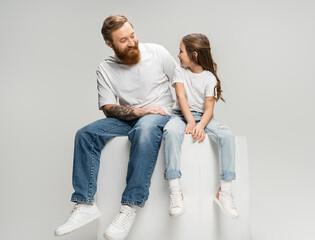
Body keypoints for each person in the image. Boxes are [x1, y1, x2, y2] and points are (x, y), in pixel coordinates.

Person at [54, 15, 177, 240]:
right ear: (109, 43)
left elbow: (181, 84)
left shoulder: (157, 52)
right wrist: (140, 111)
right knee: (86, 134)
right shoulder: (105, 68)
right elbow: (109, 108)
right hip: (129, 117)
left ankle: (129, 207)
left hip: (160, 113)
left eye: (132, 35)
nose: (132, 42)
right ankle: (84, 204)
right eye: (123, 40)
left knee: (145, 129)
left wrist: (195, 118)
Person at [163, 33, 239, 219]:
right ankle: (175, 190)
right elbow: (181, 98)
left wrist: (201, 126)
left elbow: (209, 109)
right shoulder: (180, 71)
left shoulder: (209, 78)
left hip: (203, 117)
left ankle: (225, 192)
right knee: (171, 132)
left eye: (181, 51)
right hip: (181, 115)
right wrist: (189, 121)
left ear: (194, 54)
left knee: (227, 136)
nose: (178, 55)